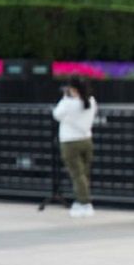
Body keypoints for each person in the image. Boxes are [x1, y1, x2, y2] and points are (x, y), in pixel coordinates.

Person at [52, 75, 98, 217]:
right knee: (84, 173)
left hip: (70, 141)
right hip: (86, 140)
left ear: (73, 89)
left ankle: (85, 203)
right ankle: (81, 201)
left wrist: (65, 98)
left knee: (77, 174)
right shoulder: (91, 101)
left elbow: (57, 114)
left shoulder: (68, 103)